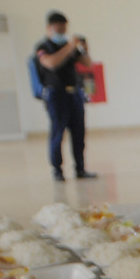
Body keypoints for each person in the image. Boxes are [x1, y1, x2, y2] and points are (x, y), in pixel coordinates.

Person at [33, 11, 95, 181]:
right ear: (49, 28)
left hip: (74, 94)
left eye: (64, 28)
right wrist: (69, 47)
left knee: (79, 133)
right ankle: (57, 171)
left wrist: (83, 49)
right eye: (58, 28)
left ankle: (80, 169)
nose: (62, 31)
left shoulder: (71, 47)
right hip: (56, 95)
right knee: (58, 133)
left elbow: (88, 63)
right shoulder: (44, 47)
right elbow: (51, 63)